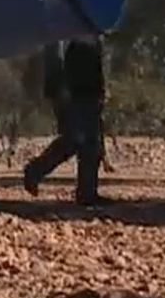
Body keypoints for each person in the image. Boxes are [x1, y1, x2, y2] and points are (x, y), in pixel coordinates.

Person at [22, 36, 107, 205]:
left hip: (88, 88)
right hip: (72, 89)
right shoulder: (69, 24)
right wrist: (59, 87)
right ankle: (35, 171)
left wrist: (100, 89)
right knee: (75, 139)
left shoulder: (90, 30)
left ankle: (87, 194)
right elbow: (55, 50)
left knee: (89, 143)